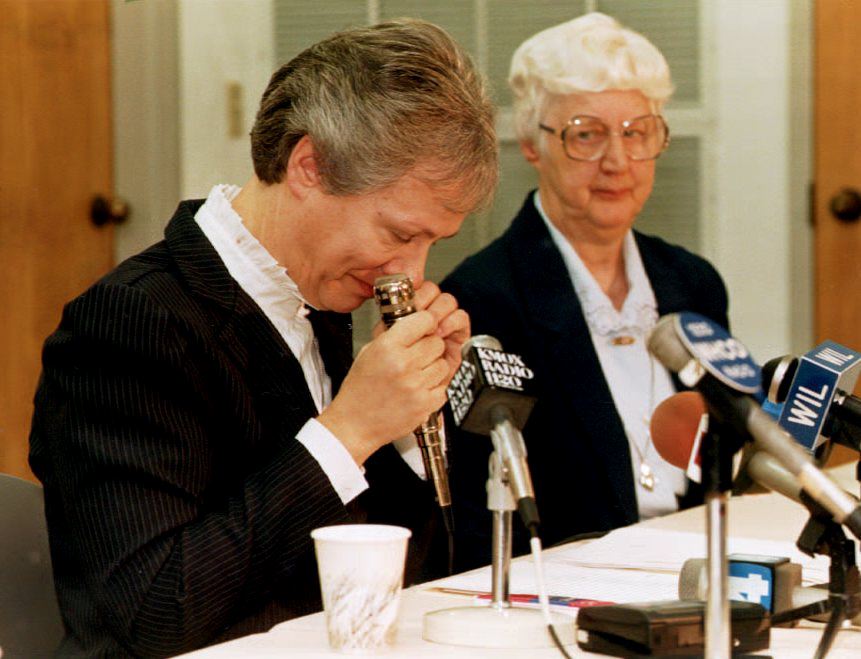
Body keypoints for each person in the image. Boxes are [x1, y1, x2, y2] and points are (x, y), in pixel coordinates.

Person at [29, 19, 497, 658]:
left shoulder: (315, 299)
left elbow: (396, 575)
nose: (410, 274)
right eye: (398, 234)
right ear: (308, 166)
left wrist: (407, 428)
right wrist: (350, 430)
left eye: (430, 245)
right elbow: (155, 610)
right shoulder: (128, 323)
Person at [441, 12, 728, 571]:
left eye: (636, 132)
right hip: (565, 585)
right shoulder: (483, 298)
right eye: (586, 134)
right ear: (531, 142)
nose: (617, 161)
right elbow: (476, 516)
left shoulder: (693, 284)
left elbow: (717, 457)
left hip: (697, 571)